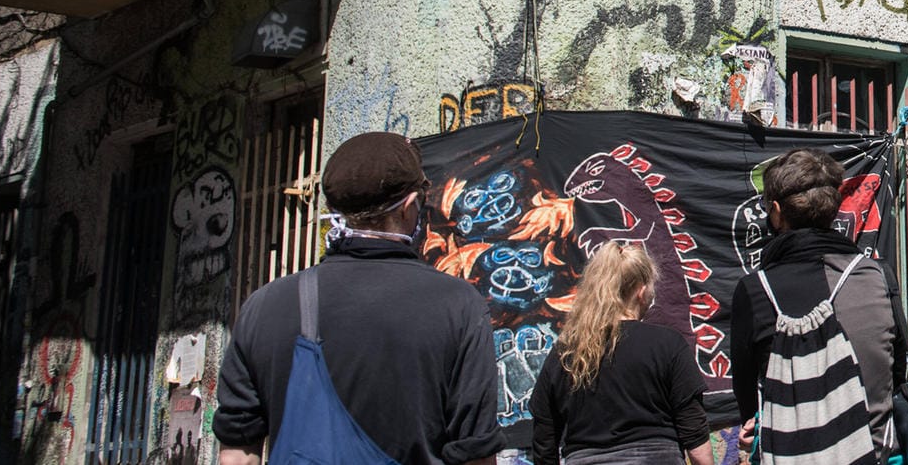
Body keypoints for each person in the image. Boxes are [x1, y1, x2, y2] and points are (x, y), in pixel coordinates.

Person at [215, 132, 501, 465]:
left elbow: (237, 455)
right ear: (410, 208)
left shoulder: (263, 307)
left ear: (336, 210)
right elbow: (475, 455)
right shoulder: (460, 306)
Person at [729, 149, 908, 465]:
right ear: (833, 209)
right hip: (874, 454)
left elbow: (747, 396)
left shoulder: (755, 290)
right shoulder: (878, 277)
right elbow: (896, 372)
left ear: (775, 212)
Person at [530, 241, 711, 465]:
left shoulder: (565, 354)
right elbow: (694, 432)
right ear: (641, 290)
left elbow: (544, 441)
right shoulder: (668, 344)